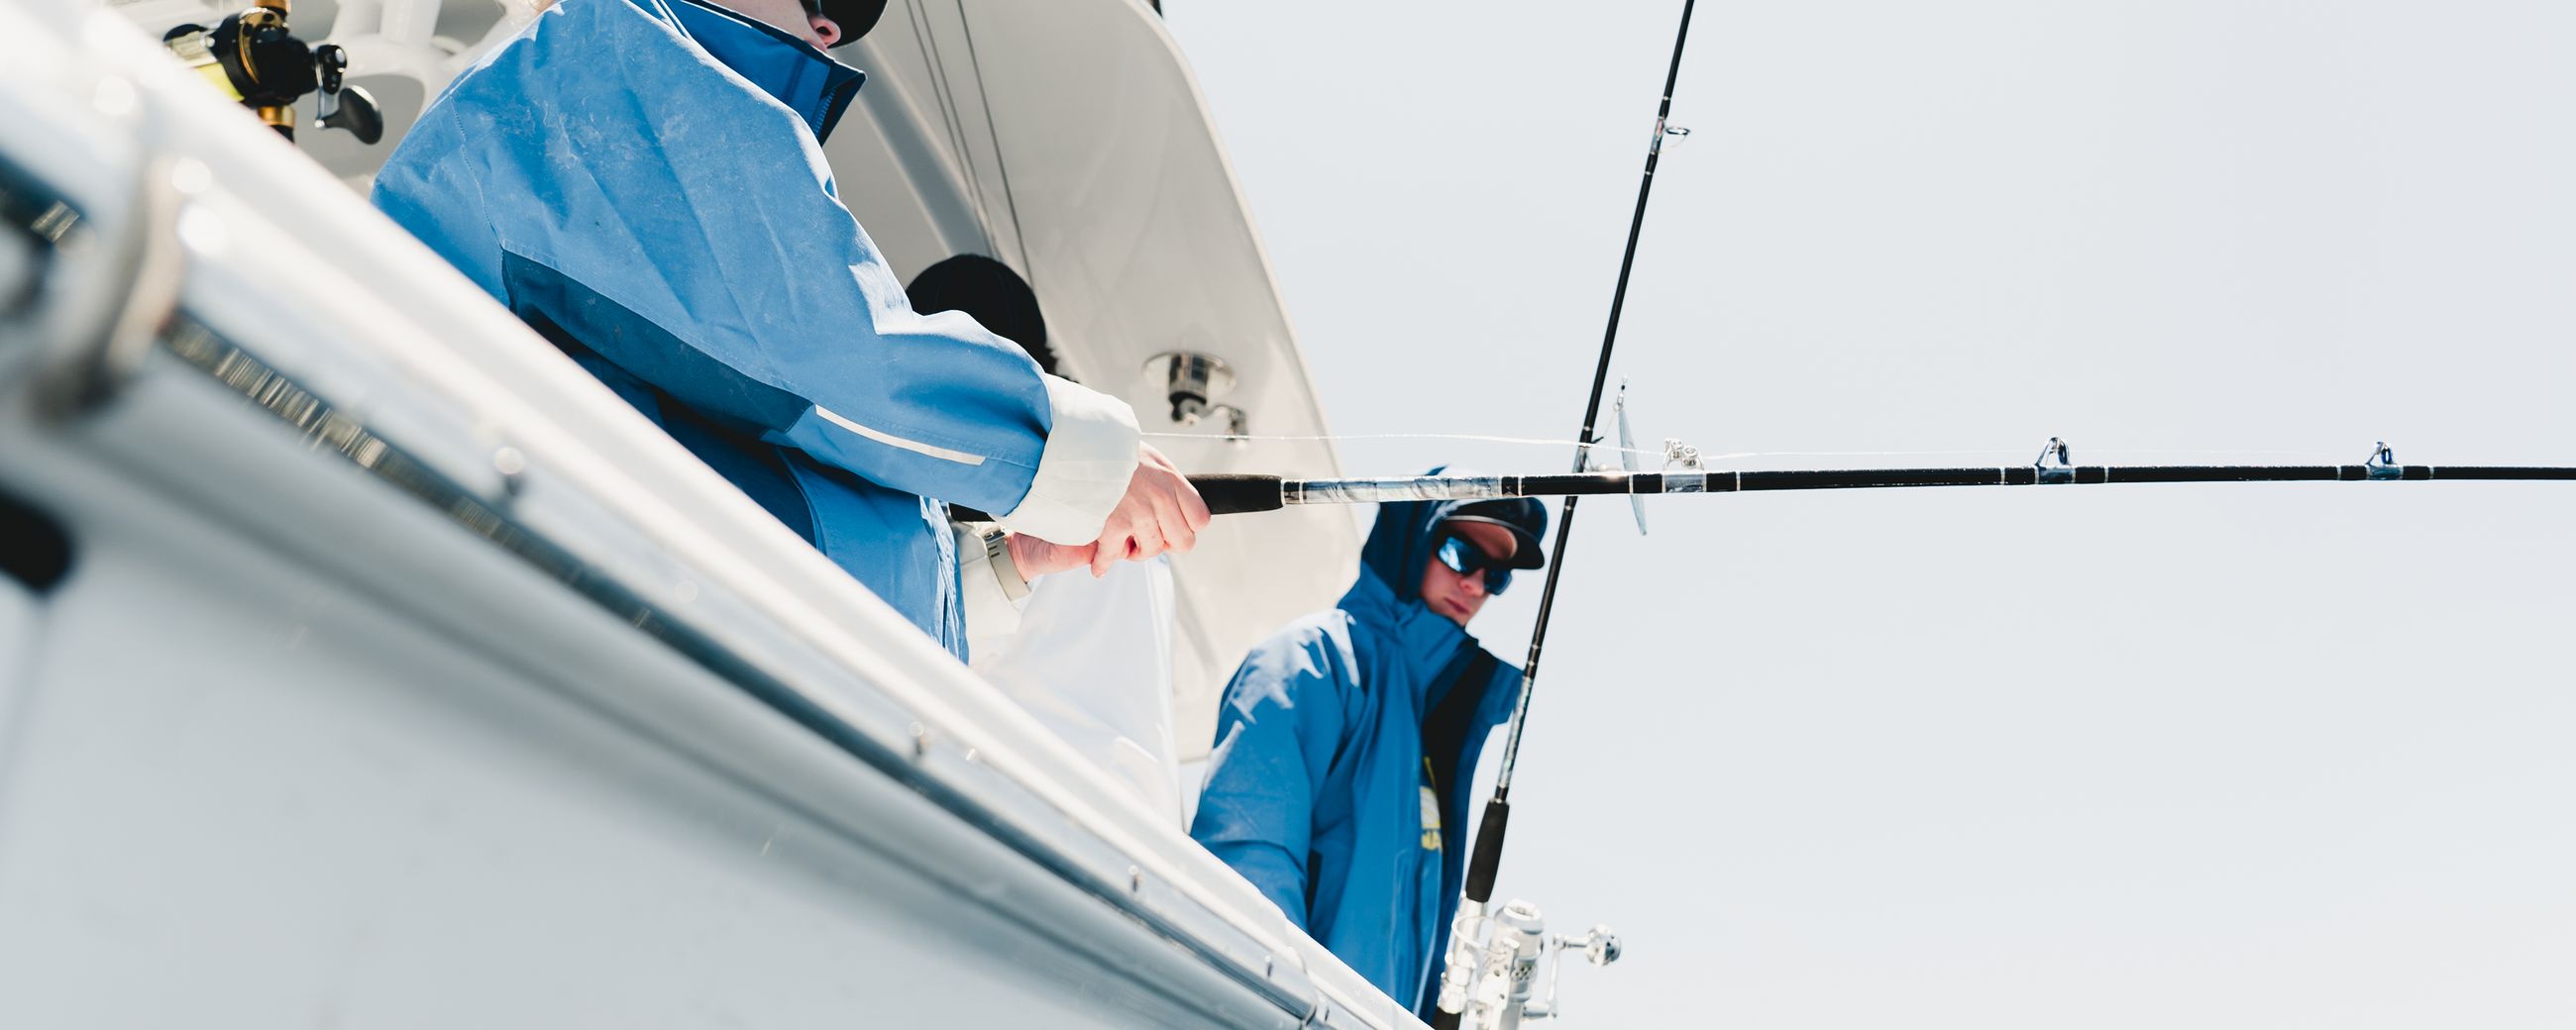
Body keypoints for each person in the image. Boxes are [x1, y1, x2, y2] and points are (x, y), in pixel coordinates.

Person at [369, 0, 1207, 659]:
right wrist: (1078, 457)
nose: (830, 26)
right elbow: (834, 357)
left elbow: (743, 472)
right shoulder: (608, 48)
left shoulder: (624, 88)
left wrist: (989, 573)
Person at [1190, 480, 1548, 1014]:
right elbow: (1249, 869)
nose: (1474, 585)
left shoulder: (1437, 730)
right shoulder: (1305, 664)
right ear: (1409, 540)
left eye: (1495, 576)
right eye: (1460, 554)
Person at [910, 255, 1185, 825]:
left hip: (1028, 820)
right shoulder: (1127, 506)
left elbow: (936, 636)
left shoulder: (990, 487)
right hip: (1144, 834)